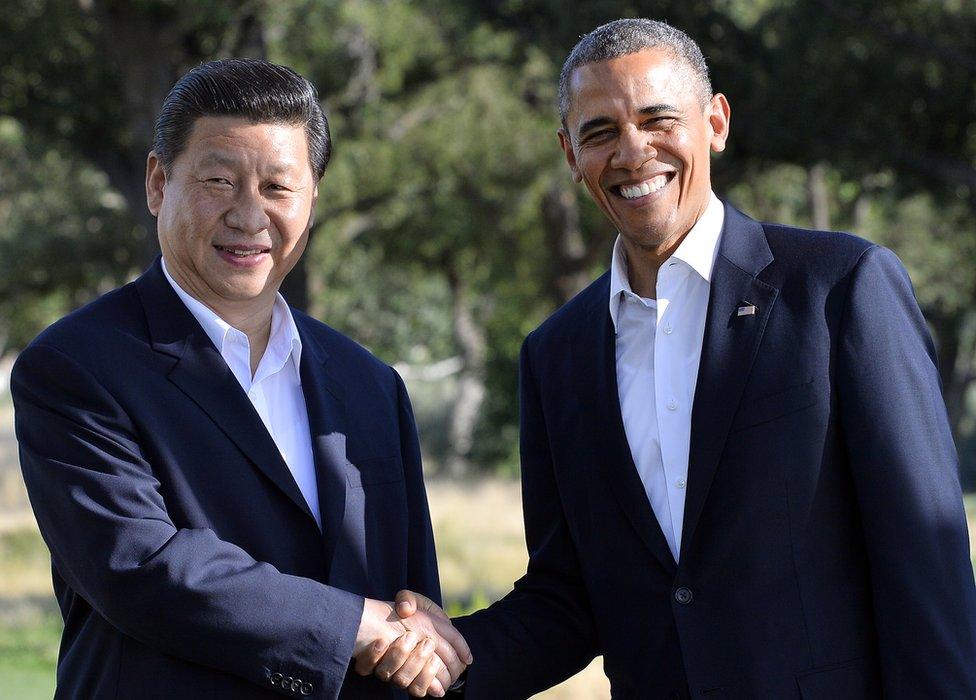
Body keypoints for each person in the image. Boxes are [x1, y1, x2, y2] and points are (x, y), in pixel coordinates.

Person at [372, 18, 976, 698]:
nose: (633, 152)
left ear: (715, 122)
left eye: (659, 119)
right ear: (569, 153)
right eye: (600, 132)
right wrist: (441, 654)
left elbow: (925, 560)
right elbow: (567, 602)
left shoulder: (840, 287)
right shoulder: (556, 356)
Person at [11, 58, 470, 700]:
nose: (249, 216)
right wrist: (351, 628)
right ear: (157, 182)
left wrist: (416, 640)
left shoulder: (370, 386)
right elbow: (140, 568)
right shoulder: (77, 366)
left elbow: (412, 598)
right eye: (220, 181)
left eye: (279, 187)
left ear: (313, 199)